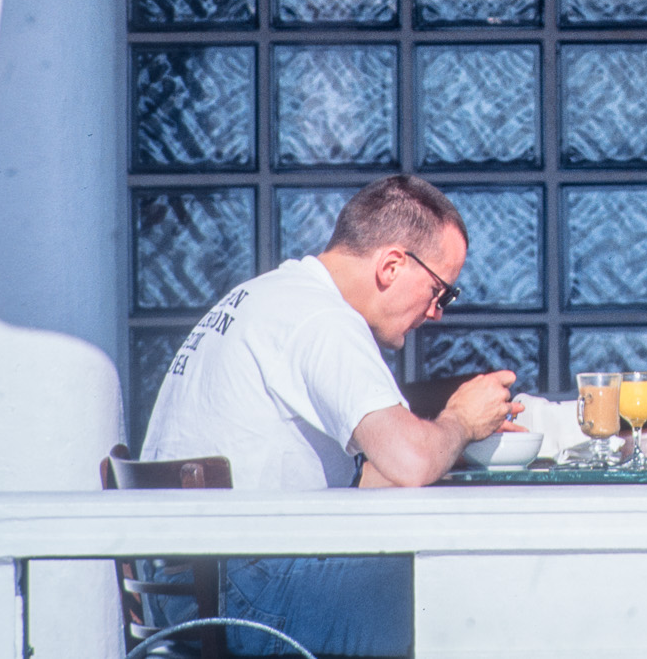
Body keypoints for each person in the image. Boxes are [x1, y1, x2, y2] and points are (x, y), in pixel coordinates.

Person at [140, 174, 519, 656]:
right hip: (244, 594)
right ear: (392, 265)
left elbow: (370, 474)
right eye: (440, 291)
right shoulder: (321, 319)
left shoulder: (269, 295)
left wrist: (448, 446)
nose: (436, 313)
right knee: (474, 581)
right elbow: (410, 461)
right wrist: (461, 422)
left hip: (192, 591)